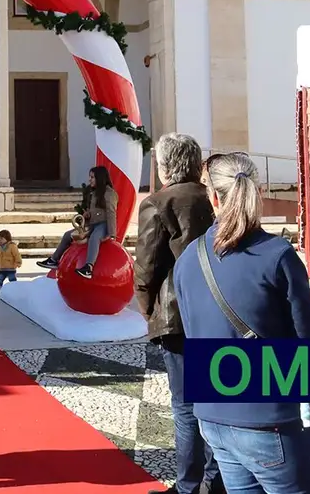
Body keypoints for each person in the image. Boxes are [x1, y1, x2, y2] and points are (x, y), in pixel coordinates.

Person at [174, 152, 310, 494]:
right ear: (256, 191)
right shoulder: (277, 255)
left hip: (213, 414)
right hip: (268, 417)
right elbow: (307, 340)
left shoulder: (188, 258)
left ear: (213, 197)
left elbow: (191, 333)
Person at [132, 134, 222, 494]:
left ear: (164, 166)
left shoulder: (158, 203)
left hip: (177, 316)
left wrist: (146, 309)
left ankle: (188, 486)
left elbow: (147, 267)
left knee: (186, 408)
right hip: (218, 311)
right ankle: (219, 481)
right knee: (217, 400)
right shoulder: (213, 197)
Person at [37, 166, 118, 280]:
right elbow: (97, 210)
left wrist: (112, 234)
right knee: (68, 235)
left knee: (94, 238)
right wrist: (88, 214)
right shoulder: (94, 192)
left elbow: (111, 212)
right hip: (92, 224)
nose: (90, 179)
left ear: (99, 178)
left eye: (92, 177)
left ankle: (88, 267)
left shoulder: (109, 193)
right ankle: (54, 260)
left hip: (103, 224)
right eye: (90, 177)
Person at [0, 229, 22, 293]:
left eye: (2, 239)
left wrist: (18, 262)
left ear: (7, 239)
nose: (0, 241)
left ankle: (14, 288)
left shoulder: (12, 246)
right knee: (0, 279)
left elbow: (16, 255)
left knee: (12, 279)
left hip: (11, 268)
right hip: (2, 268)